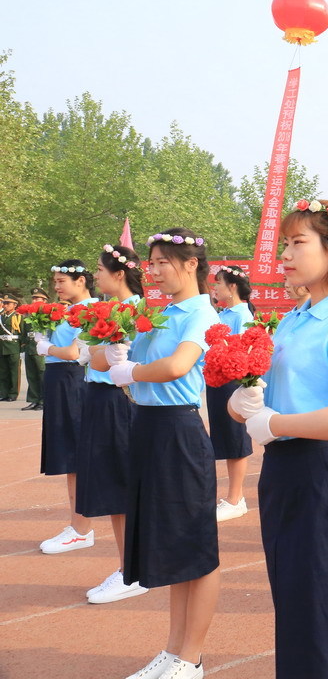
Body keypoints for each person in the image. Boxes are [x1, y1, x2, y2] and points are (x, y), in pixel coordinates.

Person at [226, 199, 328, 678]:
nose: (287, 255)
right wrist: (245, 404)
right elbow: (270, 400)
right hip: (282, 474)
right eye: (285, 244)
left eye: (299, 243)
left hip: (323, 476)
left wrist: (274, 425)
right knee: (297, 601)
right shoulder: (293, 317)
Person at [91, 230, 221, 679]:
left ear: (191, 265)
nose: (155, 270)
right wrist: (110, 347)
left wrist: (131, 369)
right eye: (153, 262)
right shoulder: (157, 311)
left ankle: (193, 656)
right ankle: (173, 650)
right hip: (146, 429)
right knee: (172, 544)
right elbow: (96, 361)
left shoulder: (200, 313)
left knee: (195, 546)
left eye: (164, 261)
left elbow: (178, 366)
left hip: (179, 430)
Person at [78, 244, 148, 604]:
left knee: (120, 485)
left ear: (119, 273)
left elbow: (104, 357)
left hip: (121, 402)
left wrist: (95, 352)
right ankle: (127, 565)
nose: (96, 276)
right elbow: (88, 352)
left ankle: (131, 570)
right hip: (101, 399)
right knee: (111, 483)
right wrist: (94, 352)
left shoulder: (139, 311)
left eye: (101, 270)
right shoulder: (109, 309)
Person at [35, 260, 97, 555]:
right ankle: (77, 525)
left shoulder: (89, 310)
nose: (57, 287)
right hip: (60, 381)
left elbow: (74, 352)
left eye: (62, 281)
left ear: (81, 281)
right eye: (56, 282)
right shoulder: (66, 310)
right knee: (70, 457)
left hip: (74, 382)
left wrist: (45, 347)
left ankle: (82, 529)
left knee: (76, 456)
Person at [207, 265, 255, 522]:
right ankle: (231, 497)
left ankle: (236, 498)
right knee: (224, 437)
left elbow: (241, 349)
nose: (215, 288)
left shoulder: (241, 314)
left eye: (218, 283)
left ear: (232, 287)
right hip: (218, 381)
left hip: (232, 382)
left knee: (235, 437)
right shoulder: (224, 313)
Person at [20, 288, 49, 410]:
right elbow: (24, 332)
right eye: (33, 298)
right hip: (30, 348)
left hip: (41, 349)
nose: (35, 300)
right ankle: (34, 400)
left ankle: (43, 400)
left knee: (42, 375)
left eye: (38, 298)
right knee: (31, 375)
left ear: (45, 301)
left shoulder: (47, 314)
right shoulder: (29, 314)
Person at [0, 294, 20, 401]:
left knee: (13, 372)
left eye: (8, 303)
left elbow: (22, 332)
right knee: (3, 371)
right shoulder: (1, 316)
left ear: (15, 305)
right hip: (2, 346)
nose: (5, 305)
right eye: (4, 303)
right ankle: (3, 393)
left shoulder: (17, 316)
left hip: (13, 346)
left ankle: (12, 394)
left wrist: (21, 346)